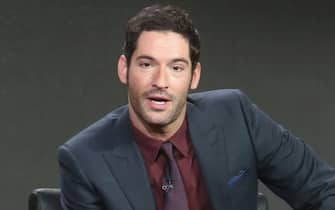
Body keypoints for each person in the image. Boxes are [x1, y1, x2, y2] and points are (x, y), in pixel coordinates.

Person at [57, 4, 335, 210]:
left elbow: (322, 189)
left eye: (176, 67)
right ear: (124, 69)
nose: (160, 81)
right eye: (146, 64)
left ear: (194, 76)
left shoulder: (236, 116)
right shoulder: (84, 159)